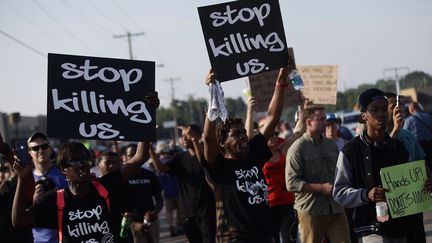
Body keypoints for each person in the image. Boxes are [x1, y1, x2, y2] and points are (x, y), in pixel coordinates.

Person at [202, 67, 288, 242]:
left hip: (265, 236)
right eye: (235, 134)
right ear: (222, 144)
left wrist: (281, 80)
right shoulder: (219, 167)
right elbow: (208, 138)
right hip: (235, 238)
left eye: (243, 132)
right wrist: (212, 98)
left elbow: (272, 117)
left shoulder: (254, 154)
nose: (243, 136)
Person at [332, 88, 425, 242]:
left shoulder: (398, 147)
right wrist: (365, 195)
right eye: (375, 110)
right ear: (364, 116)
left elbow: (412, 184)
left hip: (402, 229)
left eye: (383, 109)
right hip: (373, 231)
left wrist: (423, 186)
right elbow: (339, 192)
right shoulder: (351, 151)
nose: (381, 114)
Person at [285, 105, 350, 243]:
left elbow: (341, 172)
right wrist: (320, 188)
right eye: (321, 119)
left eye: (325, 119)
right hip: (311, 210)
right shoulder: (297, 148)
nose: (325, 122)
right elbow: (291, 183)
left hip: (336, 207)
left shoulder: (331, 145)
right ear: (308, 123)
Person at [150, 124, 216, 243]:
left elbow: (202, 161)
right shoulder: (179, 159)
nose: (184, 138)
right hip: (187, 213)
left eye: (187, 135)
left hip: (207, 212)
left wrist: (195, 140)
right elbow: (161, 169)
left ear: (198, 136)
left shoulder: (208, 155)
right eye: (182, 136)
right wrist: (150, 149)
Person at [385, 91, 428, 243]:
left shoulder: (408, 135)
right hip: (393, 205)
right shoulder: (377, 136)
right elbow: (381, 156)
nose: (397, 109)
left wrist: (429, 179)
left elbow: (420, 161)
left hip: (413, 202)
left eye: (399, 105)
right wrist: (395, 130)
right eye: (392, 106)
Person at [27, 132, 68, 243]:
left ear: (50, 149)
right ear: (29, 153)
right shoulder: (25, 180)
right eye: (35, 148)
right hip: (40, 239)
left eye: (44, 146)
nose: (41, 150)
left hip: (65, 237)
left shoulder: (64, 173)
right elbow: (20, 216)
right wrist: (34, 201)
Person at [124, 143, 164, 243]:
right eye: (130, 155)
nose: (134, 157)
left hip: (151, 221)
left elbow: (160, 201)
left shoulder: (150, 175)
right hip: (130, 224)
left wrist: (153, 214)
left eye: (136, 154)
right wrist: (132, 224)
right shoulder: (121, 178)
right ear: (125, 157)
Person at [403, 101, 432, 167]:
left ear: (411, 109)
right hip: (431, 143)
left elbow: (405, 134)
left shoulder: (409, 120)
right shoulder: (429, 116)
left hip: (420, 146)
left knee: (425, 165)